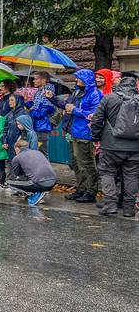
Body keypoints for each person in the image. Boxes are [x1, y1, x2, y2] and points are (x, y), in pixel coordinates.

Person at [50, 69, 102, 203]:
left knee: (87, 163)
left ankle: (91, 191)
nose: (76, 80)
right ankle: (81, 189)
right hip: (74, 131)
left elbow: (94, 114)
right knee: (76, 163)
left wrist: (75, 110)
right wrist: (52, 98)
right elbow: (65, 105)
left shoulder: (95, 94)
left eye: (78, 78)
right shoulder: (77, 91)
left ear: (85, 80)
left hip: (85, 133)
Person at [91, 73, 139, 217]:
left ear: (119, 85)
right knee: (132, 175)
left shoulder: (109, 98)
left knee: (107, 172)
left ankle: (110, 204)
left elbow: (97, 120)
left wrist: (96, 137)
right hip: (135, 147)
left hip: (110, 145)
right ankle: (129, 208)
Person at [7, 139, 57, 205]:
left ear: (17, 149)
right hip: (53, 181)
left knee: (9, 181)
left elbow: (17, 174)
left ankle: (35, 194)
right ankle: (38, 192)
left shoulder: (17, 157)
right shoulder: (38, 152)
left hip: (40, 183)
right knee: (30, 178)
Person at [27, 72, 55, 154]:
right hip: (35, 125)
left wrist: (31, 111)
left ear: (43, 80)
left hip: (42, 126)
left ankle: (44, 167)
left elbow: (43, 112)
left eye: (36, 79)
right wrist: (27, 102)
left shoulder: (48, 92)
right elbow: (35, 106)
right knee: (34, 151)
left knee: (42, 153)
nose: (33, 81)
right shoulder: (38, 92)